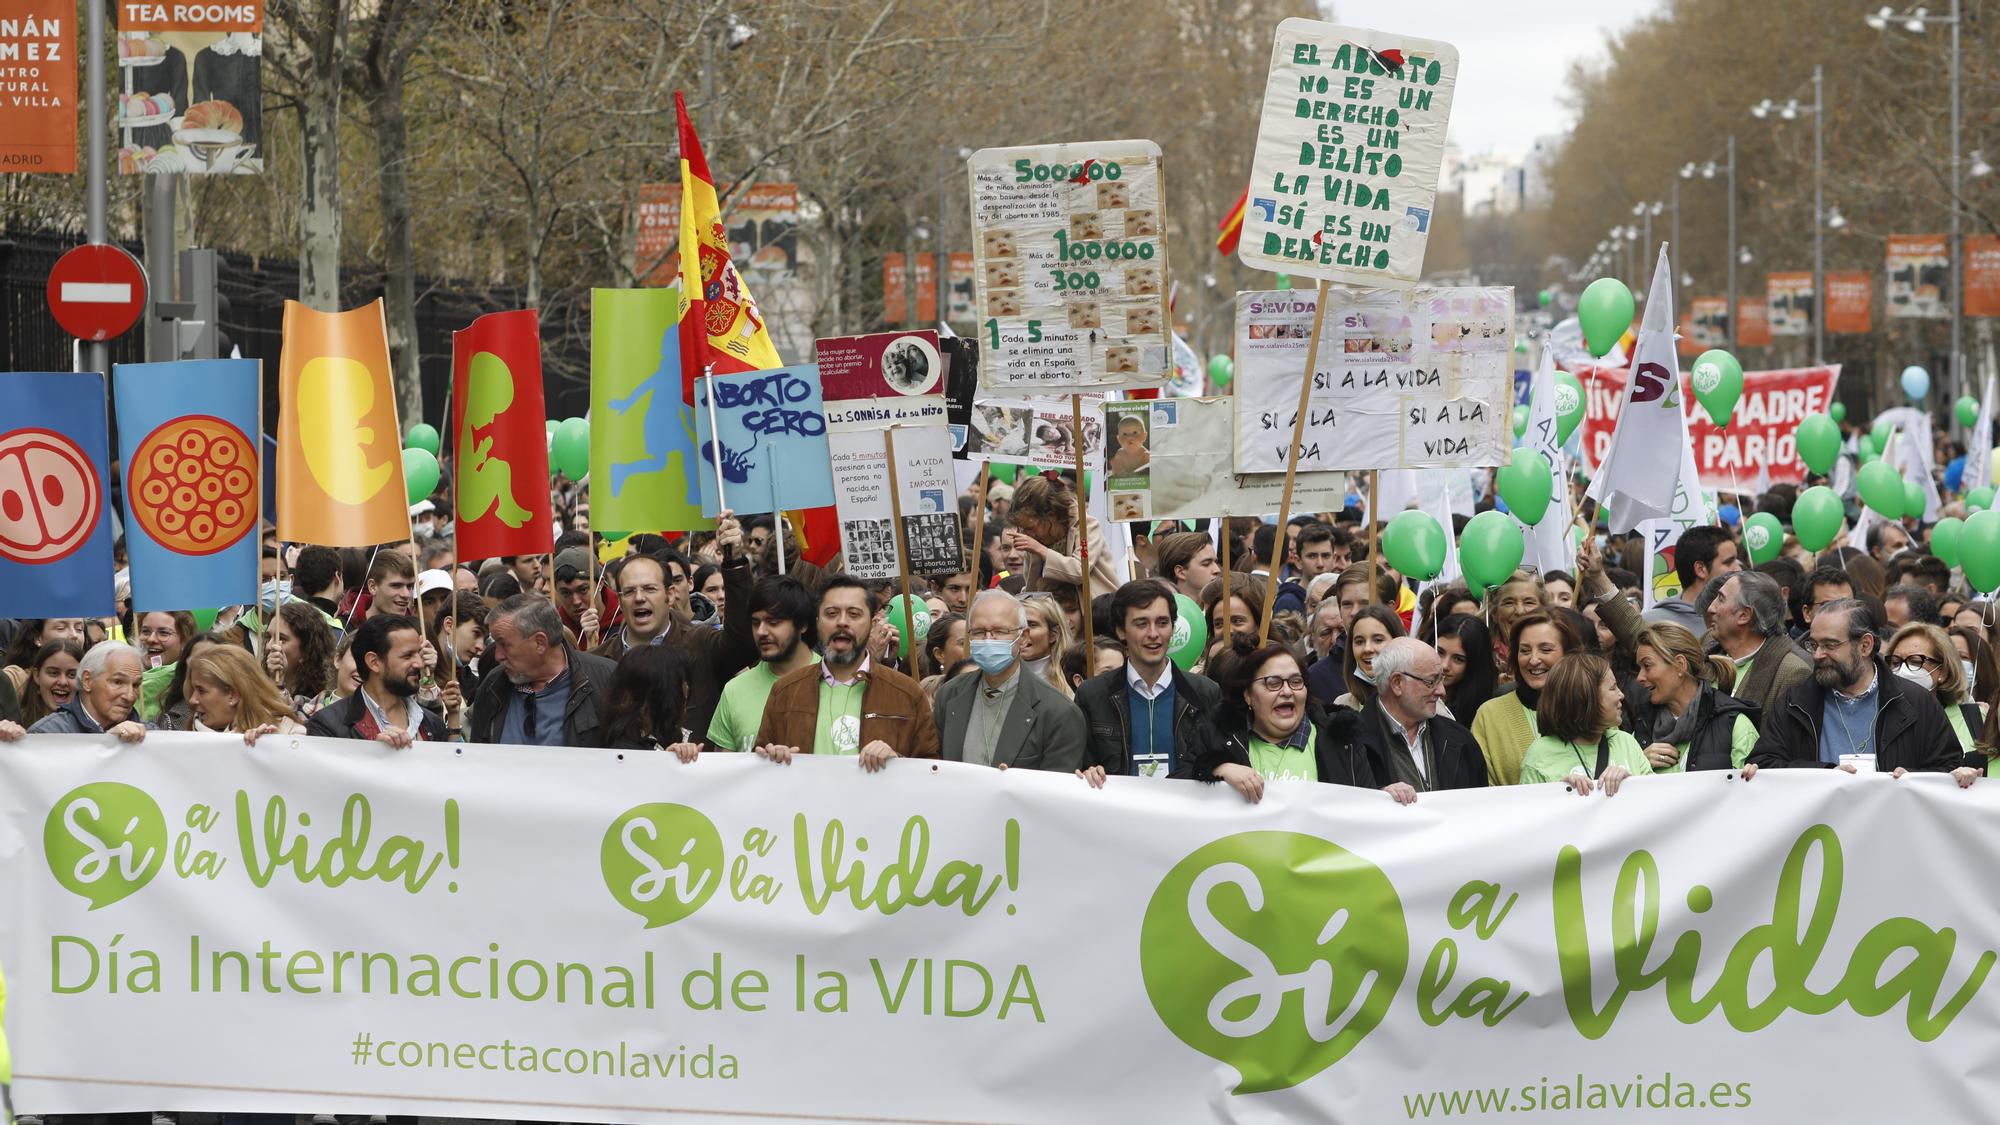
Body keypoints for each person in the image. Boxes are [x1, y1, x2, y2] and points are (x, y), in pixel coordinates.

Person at [1746, 598, 1958, 774]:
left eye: (1830, 645)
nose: (1818, 655)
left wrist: (1911, 779)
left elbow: (1948, 767)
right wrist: (1826, 774)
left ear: (1864, 646)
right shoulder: (1795, 702)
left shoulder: (1915, 702)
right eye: (1813, 644)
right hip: (1823, 824)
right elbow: (1766, 764)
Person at [751, 576, 939, 768]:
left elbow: (931, 769)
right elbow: (758, 767)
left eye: (854, 614)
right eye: (831, 614)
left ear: (872, 622)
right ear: (817, 622)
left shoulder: (906, 693)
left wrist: (897, 762)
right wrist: (773, 757)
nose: (842, 622)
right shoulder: (785, 692)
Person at [594, 527, 754, 744]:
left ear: (669, 595)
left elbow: (743, 646)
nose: (639, 598)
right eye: (630, 591)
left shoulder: (701, 645)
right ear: (620, 601)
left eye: (650, 589)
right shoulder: (599, 662)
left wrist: (734, 564)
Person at [1076, 579, 1222, 780]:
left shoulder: (1205, 692)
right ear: (1121, 630)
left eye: (1162, 623)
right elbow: (1081, 766)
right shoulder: (1092, 695)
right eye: (1141, 623)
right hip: (1120, 810)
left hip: (1184, 809)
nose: (1153, 634)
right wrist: (1088, 772)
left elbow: (1218, 760)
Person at [1190, 641, 1373, 802]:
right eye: (1273, 682)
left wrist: (1386, 798)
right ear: (1248, 695)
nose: (1286, 691)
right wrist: (1219, 768)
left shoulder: (1342, 742)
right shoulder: (1217, 738)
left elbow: (1365, 810)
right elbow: (1176, 793)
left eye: (1295, 681)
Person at [931, 590, 1087, 771]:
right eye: (979, 632)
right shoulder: (949, 695)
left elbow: (1056, 790)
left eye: (1000, 631)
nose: (989, 640)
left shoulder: (1058, 711)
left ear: (1024, 637)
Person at [471, 595, 617, 747]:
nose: (498, 656)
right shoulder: (493, 686)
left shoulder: (606, 680)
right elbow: (477, 760)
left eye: (504, 644)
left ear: (540, 643)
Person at [1350, 637, 1488, 799]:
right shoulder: (1350, 744)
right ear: (1397, 683)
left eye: (1441, 679)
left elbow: (1480, 810)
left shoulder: (1460, 740)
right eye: (1431, 681)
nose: (1441, 691)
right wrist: (1379, 799)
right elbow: (1343, 811)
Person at [1470, 611, 1585, 786]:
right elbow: (1481, 788)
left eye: (1545, 649)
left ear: (1569, 654)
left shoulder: (1591, 707)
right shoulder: (1490, 714)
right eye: (1524, 650)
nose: (1533, 660)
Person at [707, 577, 820, 753]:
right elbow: (723, 772)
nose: (761, 632)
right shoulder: (735, 690)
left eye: (773, 622)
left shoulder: (836, 680)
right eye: (755, 623)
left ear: (803, 624)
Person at [1630, 623, 1760, 772]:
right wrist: (1638, 763)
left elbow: (1753, 792)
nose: (1639, 677)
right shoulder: (1642, 728)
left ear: (1680, 665)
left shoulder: (1736, 726)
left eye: (1647, 666)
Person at [307, 614, 453, 745]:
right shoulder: (327, 725)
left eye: (418, 654)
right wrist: (374, 755)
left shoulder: (433, 725)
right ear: (374, 662)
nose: (419, 664)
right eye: (407, 656)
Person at [1519, 653, 1652, 793]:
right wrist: (1558, 793)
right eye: (1613, 688)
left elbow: (1657, 803)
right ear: (1584, 697)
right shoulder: (1539, 755)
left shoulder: (1626, 743)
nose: (1621, 695)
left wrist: (1631, 782)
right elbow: (1529, 811)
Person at [1703, 571, 1811, 723]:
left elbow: (1782, 741)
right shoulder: (1707, 644)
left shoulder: (1791, 672)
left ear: (1744, 615)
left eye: (1721, 599)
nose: (1711, 608)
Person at [19, 642, 151, 740]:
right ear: (87, 681)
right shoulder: (48, 734)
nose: (129, 696)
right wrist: (106, 744)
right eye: (118, 682)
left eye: (135, 685)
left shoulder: (150, 735)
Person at [1887, 622, 1983, 754]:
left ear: (1943, 671)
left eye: (1915, 662)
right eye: (1895, 662)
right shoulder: (1880, 716)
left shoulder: (1977, 718)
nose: (1902, 670)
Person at [185, 645, 306, 739]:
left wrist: (271, 748)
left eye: (201, 690)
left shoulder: (289, 734)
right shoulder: (187, 738)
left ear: (233, 695)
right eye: (193, 689)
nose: (192, 700)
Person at [1642, 525, 1739, 638]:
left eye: (1737, 560)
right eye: (1728, 562)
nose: (1738, 568)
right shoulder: (1651, 625)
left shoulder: (1742, 618)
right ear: (1700, 569)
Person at [602, 646, 698, 758]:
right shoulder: (624, 754)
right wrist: (664, 762)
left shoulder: (674, 736)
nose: (686, 688)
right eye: (680, 680)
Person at [267, 600, 338, 717]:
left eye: (282, 639)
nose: (269, 646)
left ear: (307, 650)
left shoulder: (324, 702)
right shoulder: (255, 686)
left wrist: (278, 685)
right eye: (268, 637)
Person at [1331, 604, 1403, 711]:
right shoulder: (1342, 705)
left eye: (1378, 640)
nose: (1367, 649)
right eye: (1359, 642)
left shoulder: (1422, 702)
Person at [1435, 613, 1498, 725]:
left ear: (1475, 664)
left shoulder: (1485, 712)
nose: (1444, 665)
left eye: (1458, 659)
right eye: (1440, 652)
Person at [1018, 592, 1073, 698]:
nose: (1022, 633)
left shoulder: (1073, 679)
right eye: (1017, 625)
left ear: (1053, 634)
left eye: (1032, 625)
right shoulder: (996, 679)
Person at [19, 640, 83, 728]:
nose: (63, 682)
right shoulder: (14, 721)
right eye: (54, 673)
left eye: (72, 675)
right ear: (37, 675)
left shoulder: (95, 729)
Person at [1200, 572, 1265, 651]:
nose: (1227, 631)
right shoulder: (1205, 657)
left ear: (1258, 623)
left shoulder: (1277, 660)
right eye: (1218, 624)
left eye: (1237, 621)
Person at [1153, 531, 1222, 602]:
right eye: (1206, 563)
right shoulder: (1165, 612)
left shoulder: (1222, 608)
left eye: (1215, 562)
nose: (1217, 570)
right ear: (1180, 572)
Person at [919, 612, 968, 697]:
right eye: (963, 643)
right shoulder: (925, 699)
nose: (973, 649)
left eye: (975, 641)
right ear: (939, 654)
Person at [363, 549, 418, 620]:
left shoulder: (417, 629)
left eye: (409, 586)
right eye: (396, 586)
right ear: (372, 587)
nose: (406, 594)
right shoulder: (347, 628)